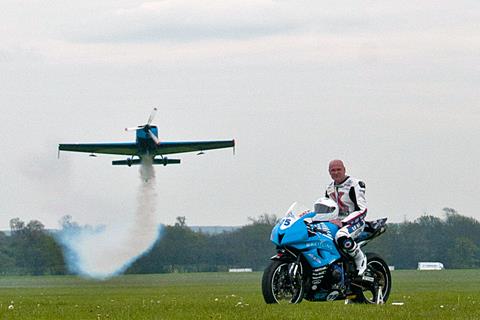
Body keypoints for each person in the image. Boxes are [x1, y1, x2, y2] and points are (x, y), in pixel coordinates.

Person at [325, 159, 367, 276]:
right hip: (335, 223)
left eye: (339, 169)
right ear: (329, 172)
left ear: (344, 170)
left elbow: (362, 209)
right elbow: (326, 209)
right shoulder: (329, 188)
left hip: (354, 222)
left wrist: (344, 222)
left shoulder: (355, 184)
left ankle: (360, 259)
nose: (336, 172)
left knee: (341, 236)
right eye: (333, 170)